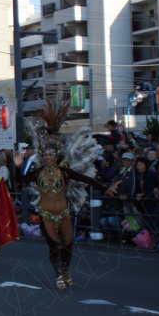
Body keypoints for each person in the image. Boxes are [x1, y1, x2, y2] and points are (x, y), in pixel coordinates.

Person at [14, 99, 105, 288]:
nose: (48, 157)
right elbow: (19, 181)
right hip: (46, 213)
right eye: (45, 154)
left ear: (57, 156)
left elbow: (87, 180)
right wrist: (17, 167)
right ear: (42, 155)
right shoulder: (38, 173)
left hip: (64, 212)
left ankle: (65, 269)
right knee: (53, 245)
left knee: (68, 245)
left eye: (51, 154)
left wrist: (107, 188)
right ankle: (57, 274)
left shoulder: (65, 172)